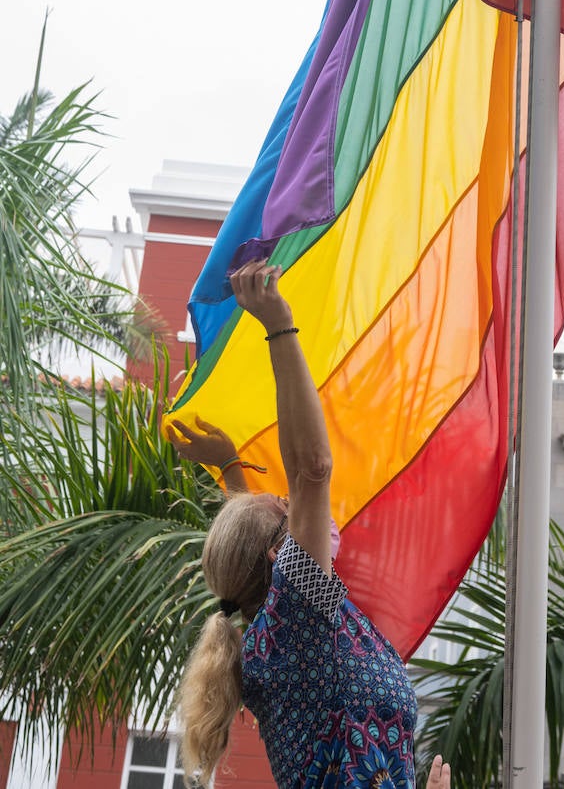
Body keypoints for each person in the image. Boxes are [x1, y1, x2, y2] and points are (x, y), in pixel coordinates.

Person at [170, 259, 438, 789]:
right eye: (284, 507)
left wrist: (232, 468)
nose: (293, 501)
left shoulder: (286, 628)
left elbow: (253, 546)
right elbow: (312, 470)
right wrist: (278, 326)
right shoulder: (296, 617)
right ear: (283, 557)